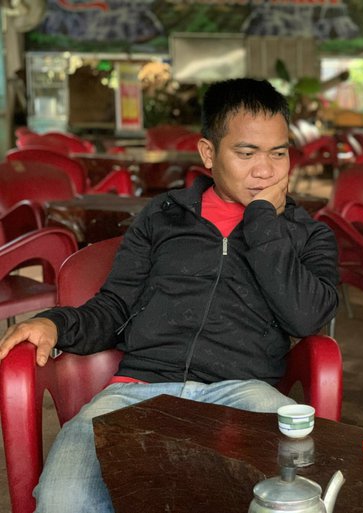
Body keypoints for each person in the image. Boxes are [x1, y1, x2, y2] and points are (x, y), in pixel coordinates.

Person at [0, 78, 339, 512]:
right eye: (246, 153)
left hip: (245, 395)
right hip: (136, 392)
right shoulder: (162, 218)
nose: (265, 170)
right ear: (208, 153)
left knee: (290, 500)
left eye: (278, 153)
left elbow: (306, 317)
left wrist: (262, 223)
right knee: (63, 498)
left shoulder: (308, 235)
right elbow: (115, 305)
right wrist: (55, 323)